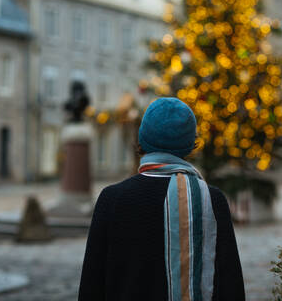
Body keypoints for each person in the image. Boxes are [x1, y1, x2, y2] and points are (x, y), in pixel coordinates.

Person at [78, 97, 245, 301]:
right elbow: (231, 286)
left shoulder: (111, 199)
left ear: (142, 138)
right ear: (190, 142)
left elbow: (91, 285)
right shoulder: (211, 200)